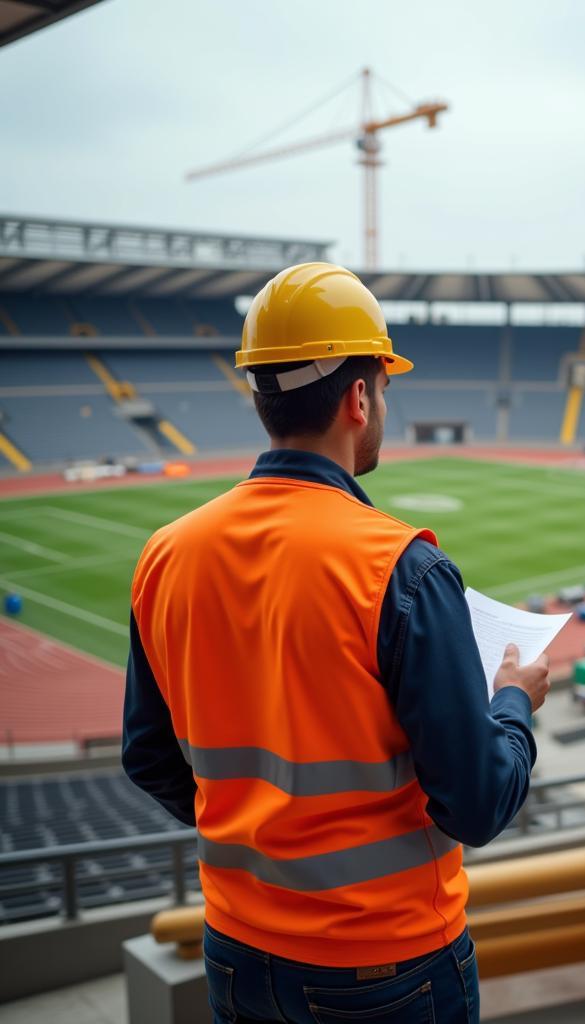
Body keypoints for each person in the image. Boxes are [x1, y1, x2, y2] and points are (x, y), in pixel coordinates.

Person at [122, 263, 550, 1024]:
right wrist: (514, 704)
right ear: (360, 396)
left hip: (236, 950)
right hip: (386, 965)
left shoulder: (166, 554)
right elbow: (478, 805)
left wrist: (267, 845)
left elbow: (148, 757)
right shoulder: (401, 567)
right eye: (384, 385)